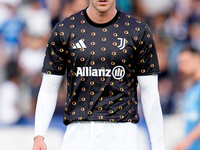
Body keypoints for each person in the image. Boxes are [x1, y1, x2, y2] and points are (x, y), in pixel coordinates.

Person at [32, 0, 165, 150]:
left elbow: (150, 92)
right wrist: (39, 135)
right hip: (78, 134)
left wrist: (158, 145)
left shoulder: (138, 31)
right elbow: (49, 87)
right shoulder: (65, 30)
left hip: (122, 133)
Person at [175, 46, 200, 150]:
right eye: (180, 63)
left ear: (197, 59)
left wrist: (186, 142)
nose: (181, 67)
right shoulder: (191, 90)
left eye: (185, 62)